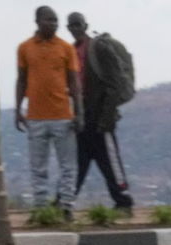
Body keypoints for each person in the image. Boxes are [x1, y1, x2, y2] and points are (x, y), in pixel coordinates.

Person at [15, 5, 81, 220]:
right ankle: (41, 209)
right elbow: (22, 79)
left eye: (55, 20)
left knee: (67, 165)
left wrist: (78, 112)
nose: (53, 24)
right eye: (49, 20)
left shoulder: (65, 48)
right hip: (35, 117)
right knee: (38, 167)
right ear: (37, 22)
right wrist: (18, 109)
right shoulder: (25, 48)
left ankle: (67, 206)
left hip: (63, 115)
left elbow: (74, 81)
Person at [65, 11, 132, 213]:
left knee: (109, 161)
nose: (76, 28)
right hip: (81, 116)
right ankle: (65, 201)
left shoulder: (99, 48)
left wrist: (107, 117)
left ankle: (123, 201)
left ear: (85, 26)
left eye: (78, 24)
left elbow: (114, 84)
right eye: (72, 26)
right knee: (78, 162)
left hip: (101, 115)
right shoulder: (71, 51)